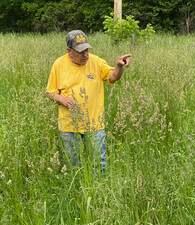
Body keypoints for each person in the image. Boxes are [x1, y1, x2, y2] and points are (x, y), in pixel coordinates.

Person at [46, 30, 131, 172]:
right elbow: (50, 92)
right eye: (80, 51)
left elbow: (113, 77)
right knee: (72, 165)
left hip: (94, 123)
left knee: (99, 164)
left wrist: (119, 67)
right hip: (68, 124)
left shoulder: (96, 61)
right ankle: (77, 191)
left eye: (86, 50)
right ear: (69, 51)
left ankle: (100, 190)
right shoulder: (58, 64)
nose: (85, 55)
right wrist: (62, 99)